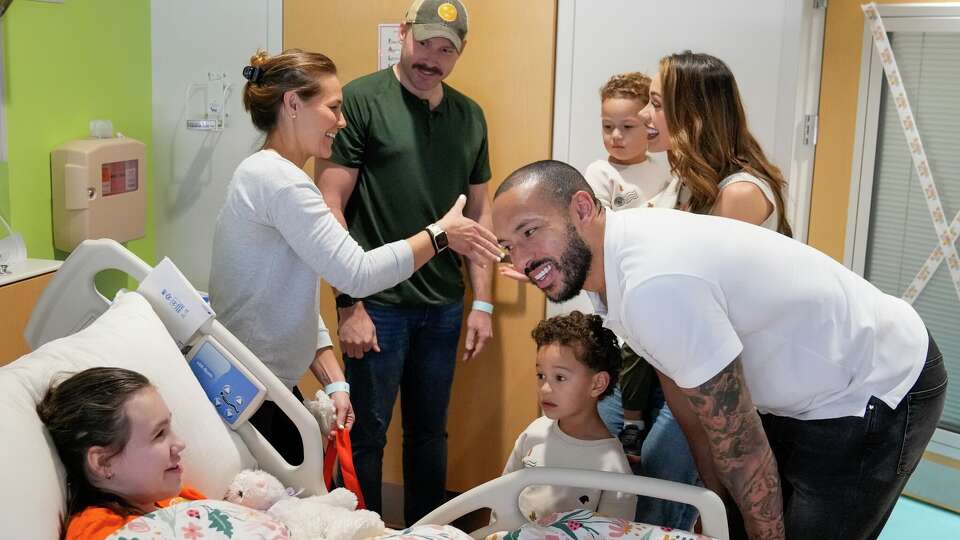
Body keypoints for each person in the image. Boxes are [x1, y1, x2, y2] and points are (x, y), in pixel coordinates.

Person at [492, 159, 947, 540]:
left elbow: (743, 446)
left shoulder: (652, 281)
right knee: (745, 517)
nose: (522, 260)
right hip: (806, 388)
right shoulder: (609, 272)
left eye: (530, 232)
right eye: (509, 246)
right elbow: (688, 408)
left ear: (582, 208)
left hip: (876, 381)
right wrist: (720, 512)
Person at [209, 48, 501, 469]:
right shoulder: (280, 182)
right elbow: (358, 273)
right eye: (333, 108)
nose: (342, 121)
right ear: (293, 104)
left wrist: (335, 381)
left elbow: (289, 297)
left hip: (266, 381)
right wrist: (439, 236)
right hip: (254, 386)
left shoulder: (271, 175)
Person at [314, 0, 494, 523]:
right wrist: (349, 303)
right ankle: (358, 530)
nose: (431, 59)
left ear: (460, 53)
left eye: (446, 50)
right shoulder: (360, 101)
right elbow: (330, 205)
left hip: (443, 304)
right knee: (365, 432)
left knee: (430, 432)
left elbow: (479, 212)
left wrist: (482, 302)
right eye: (424, 43)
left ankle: (426, 530)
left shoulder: (469, 116)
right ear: (403, 33)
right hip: (377, 305)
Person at [584, 71, 698, 529]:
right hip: (622, 321)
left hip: (667, 328)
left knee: (662, 466)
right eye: (607, 126)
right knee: (610, 454)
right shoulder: (599, 174)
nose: (616, 136)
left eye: (627, 126)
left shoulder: (669, 172)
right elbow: (598, 239)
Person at [37, 367, 204, 540]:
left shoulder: (180, 498)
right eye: (159, 433)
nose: (179, 444)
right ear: (103, 462)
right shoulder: (98, 529)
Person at [503, 311, 636, 522]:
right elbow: (500, 498)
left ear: (597, 384)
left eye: (560, 377)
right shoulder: (534, 432)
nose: (545, 389)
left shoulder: (613, 466)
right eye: (541, 375)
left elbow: (615, 532)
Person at [640, 51, 791, 237]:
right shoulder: (689, 178)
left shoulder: (740, 194)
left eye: (656, 104)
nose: (642, 114)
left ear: (694, 115)